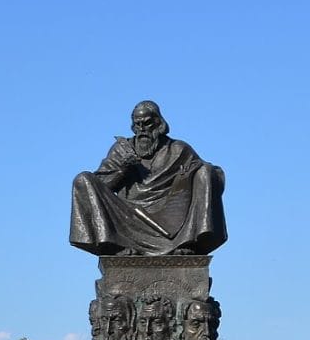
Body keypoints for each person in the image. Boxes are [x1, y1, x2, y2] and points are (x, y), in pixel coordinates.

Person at [70, 101, 227, 257]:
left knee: (206, 171)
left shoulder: (179, 150)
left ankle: (185, 243)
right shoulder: (122, 150)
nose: (142, 129)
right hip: (128, 215)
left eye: (147, 124)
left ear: (159, 124)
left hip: (171, 216)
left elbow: (216, 174)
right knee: (83, 179)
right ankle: (114, 245)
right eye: (137, 125)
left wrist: (188, 178)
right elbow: (101, 187)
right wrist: (122, 169)